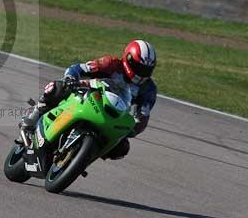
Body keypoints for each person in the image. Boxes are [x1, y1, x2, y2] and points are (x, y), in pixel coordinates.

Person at [19, 40, 158, 160]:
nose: (141, 73)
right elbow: (78, 68)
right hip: (91, 96)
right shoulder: (111, 64)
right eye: (139, 67)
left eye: (146, 70)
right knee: (58, 86)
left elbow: (143, 116)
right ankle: (34, 116)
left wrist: (132, 129)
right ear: (128, 59)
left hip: (114, 116)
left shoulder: (148, 89)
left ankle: (83, 157)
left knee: (122, 147)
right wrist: (70, 79)